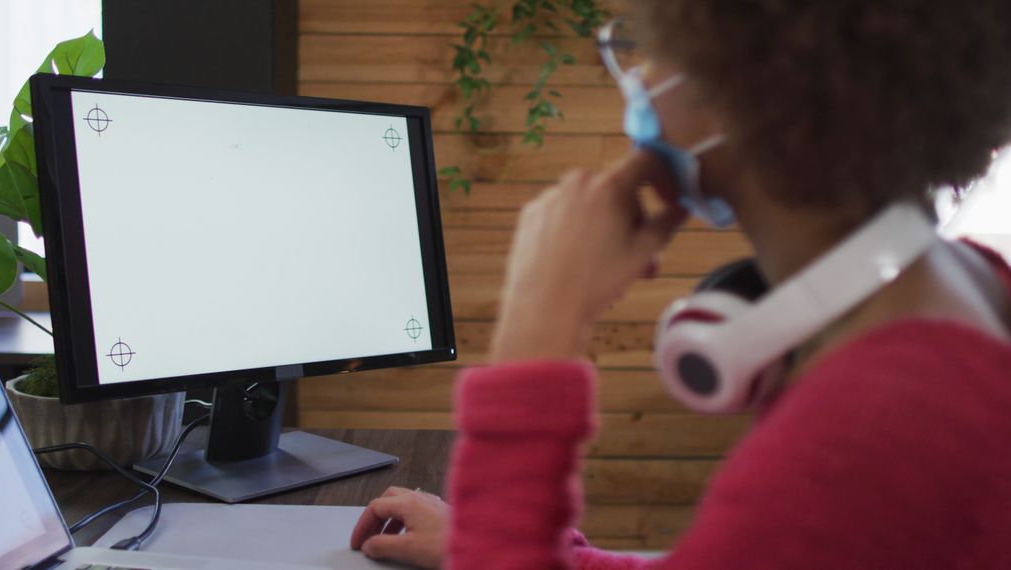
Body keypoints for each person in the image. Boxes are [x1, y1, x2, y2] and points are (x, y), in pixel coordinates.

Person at [349, 1, 1011, 568]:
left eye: (658, 49)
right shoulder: (967, 283)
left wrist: (538, 331)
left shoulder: (869, 432)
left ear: (751, 91)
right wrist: (499, 545)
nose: (638, 78)